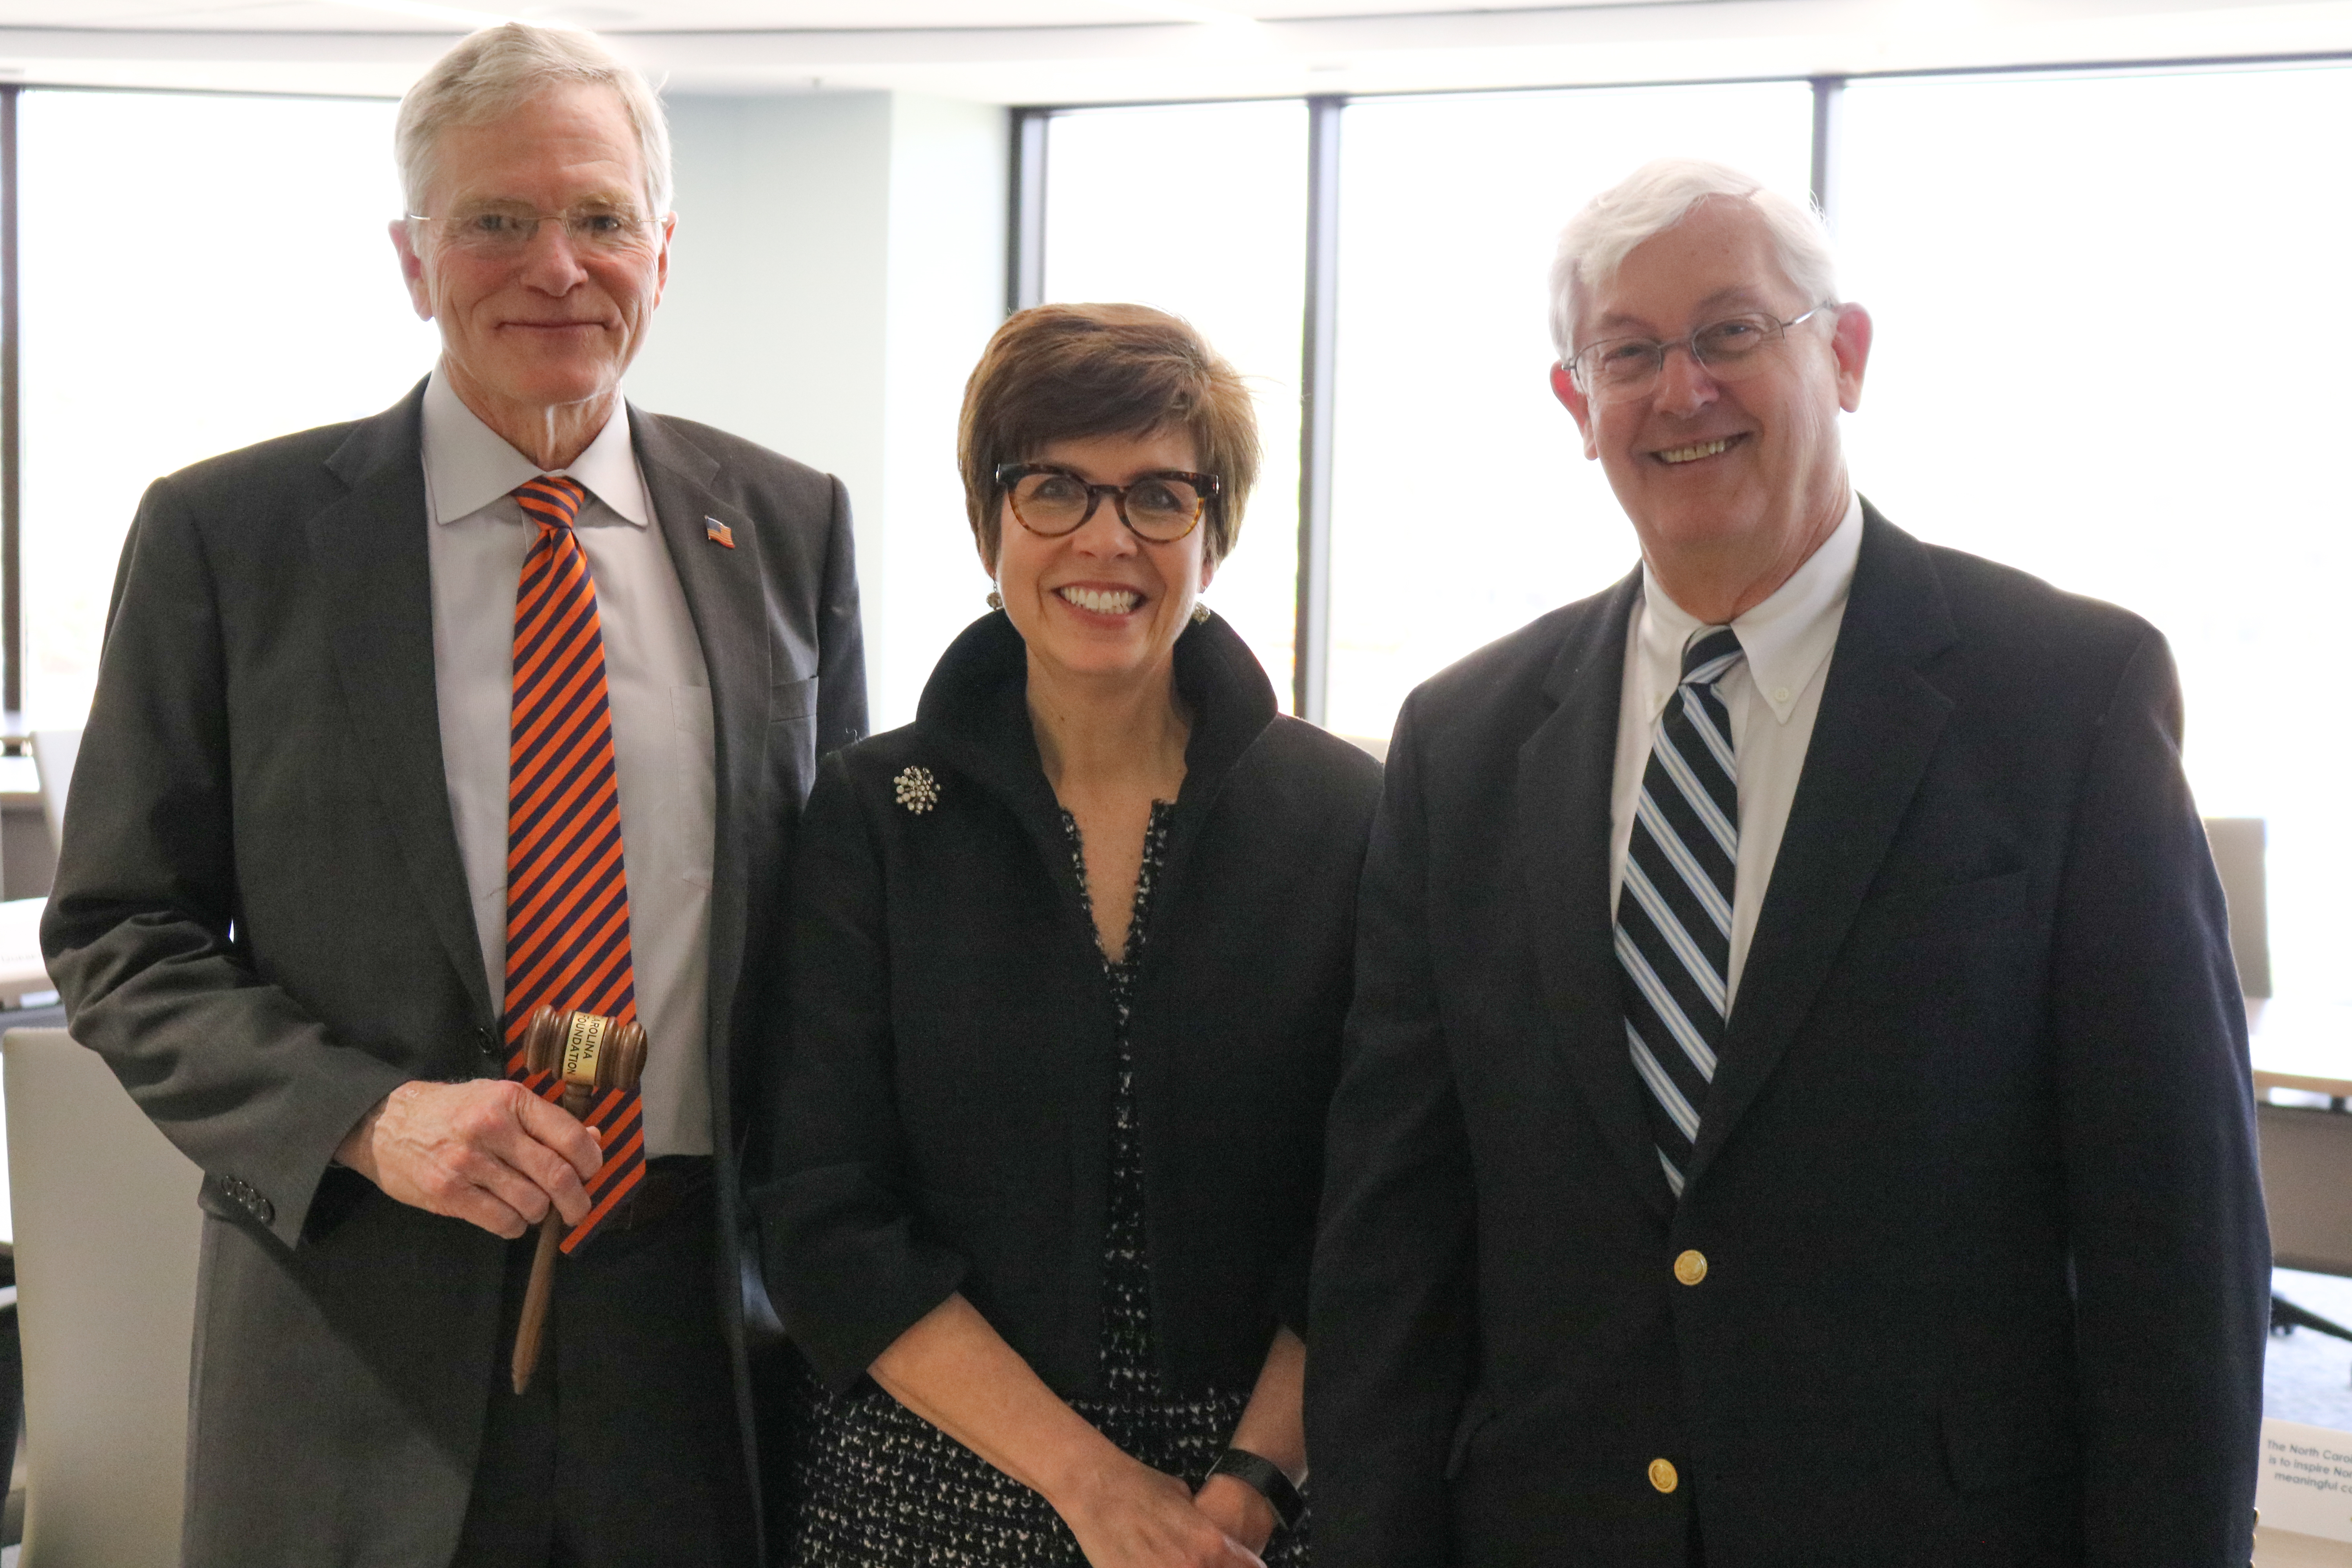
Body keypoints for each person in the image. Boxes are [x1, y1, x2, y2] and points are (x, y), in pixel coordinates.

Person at [1306, 158, 2269, 1567]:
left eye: (1733, 332)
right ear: (1577, 406)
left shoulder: (2064, 696)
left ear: (1848, 355)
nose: (1682, 389)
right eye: (1628, 352)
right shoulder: (1464, 741)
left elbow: (2174, 1245)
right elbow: (1394, 1237)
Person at [40, 23, 863, 1568]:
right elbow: (120, 935)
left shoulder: (787, 526)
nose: (557, 264)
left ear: (663, 253)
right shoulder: (233, 538)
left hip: (699, 1344)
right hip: (357, 1331)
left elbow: (833, 927)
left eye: (602, 218)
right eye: (496, 220)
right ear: (414, 260)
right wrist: (368, 1118)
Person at [753, 302, 1380, 1567]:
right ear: (991, 525)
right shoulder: (875, 818)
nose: (1108, 539)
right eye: (1055, 489)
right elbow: (823, 1213)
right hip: (931, 1497)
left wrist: (1251, 1485)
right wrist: (1094, 1489)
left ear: (1216, 532)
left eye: (1161, 496)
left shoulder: (1343, 816)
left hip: (1266, 1509)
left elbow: (1380, 1198)